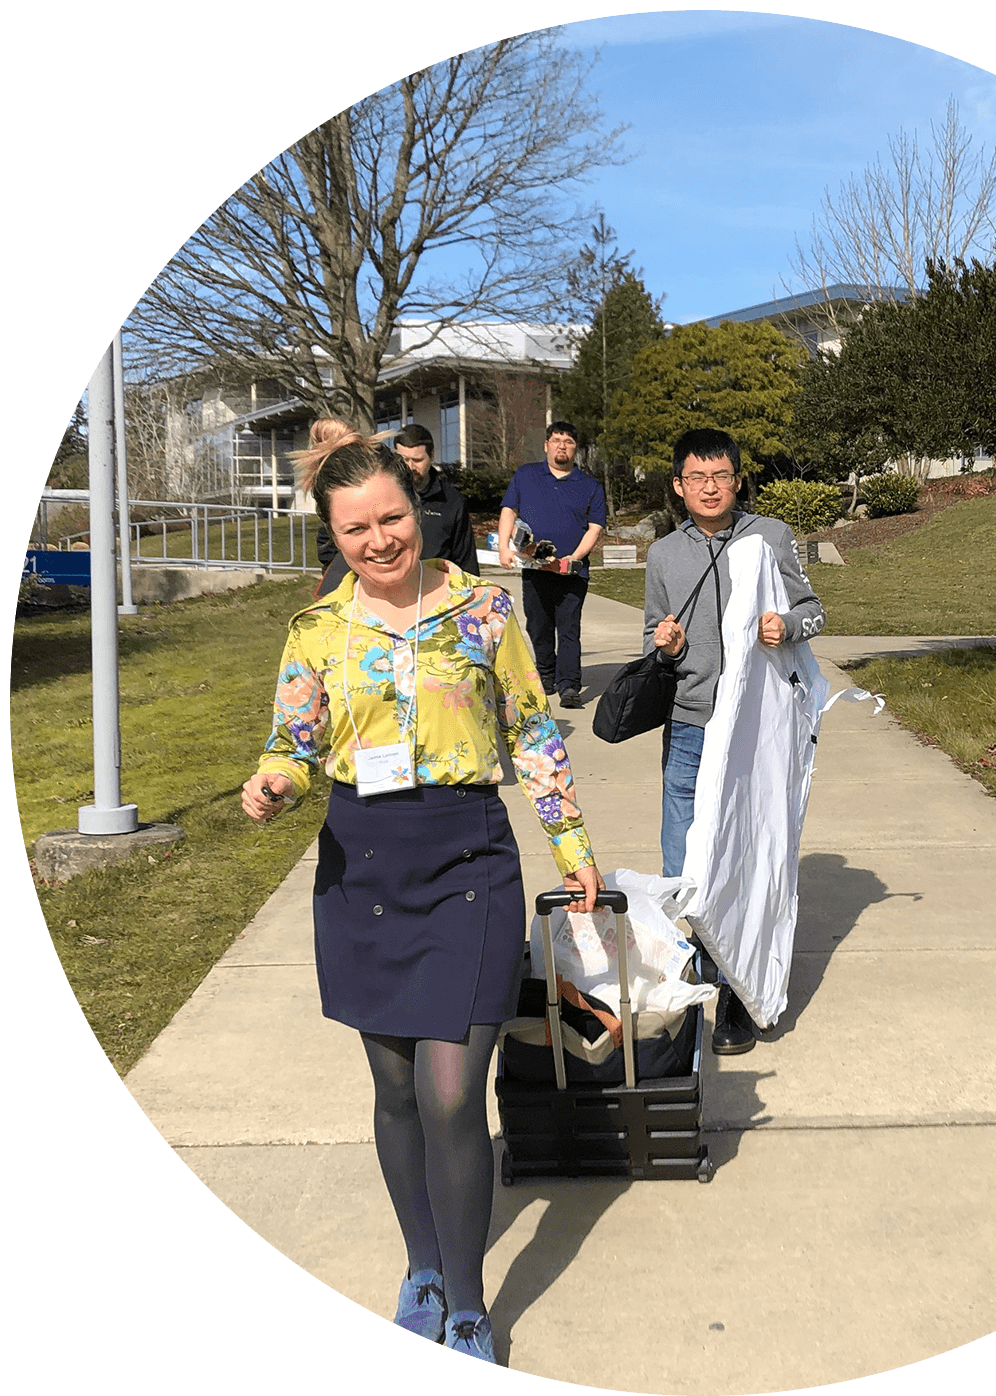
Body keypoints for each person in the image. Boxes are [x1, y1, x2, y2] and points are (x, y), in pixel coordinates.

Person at [242, 420, 604, 1361]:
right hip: (362, 862)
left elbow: (530, 731)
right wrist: (275, 781)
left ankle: (471, 1302)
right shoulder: (318, 629)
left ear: (419, 507)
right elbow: (295, 740)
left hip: (468, 858)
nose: (378, 541)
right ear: (335, 534)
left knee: (452, 1094)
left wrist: (571, 843)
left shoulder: (484, 612)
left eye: (391, 518)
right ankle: (424, 1268)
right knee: (395, 1089)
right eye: (355, 529)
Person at [643, 427, 826, 1054]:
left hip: (752, 731)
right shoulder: (664, 555)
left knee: (742, 861)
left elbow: (815, 611)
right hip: (692, 725)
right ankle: (687, 991)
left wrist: (788, 624)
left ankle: (737, 997)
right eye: (697, 478)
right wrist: (661, 645)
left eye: (720, 475)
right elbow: (650, 636)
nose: (710, 487)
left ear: (738, 479)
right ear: (679, 485)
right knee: (683, 866)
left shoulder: (770, 537)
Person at [497, 422, 606, 708]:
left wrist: (576, 558)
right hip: (535, 569)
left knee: (568, 628)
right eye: (556, 440)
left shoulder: (590, 486)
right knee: (538, 625)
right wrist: (503, 548)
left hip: (572, 572)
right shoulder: (526, 475)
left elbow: (594, 528)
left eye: (568, 441)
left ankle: (569, 684)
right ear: (546, 445)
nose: (562, 446)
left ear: (575, 449)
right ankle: (546, 675)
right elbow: (509, 509)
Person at [315, 423, 477, 597]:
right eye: (404, 459)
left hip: (434, 592)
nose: (410, 467)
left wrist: (471, 597)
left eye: (392, 518)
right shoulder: (324, 619)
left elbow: (466, 559)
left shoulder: (452, 501)